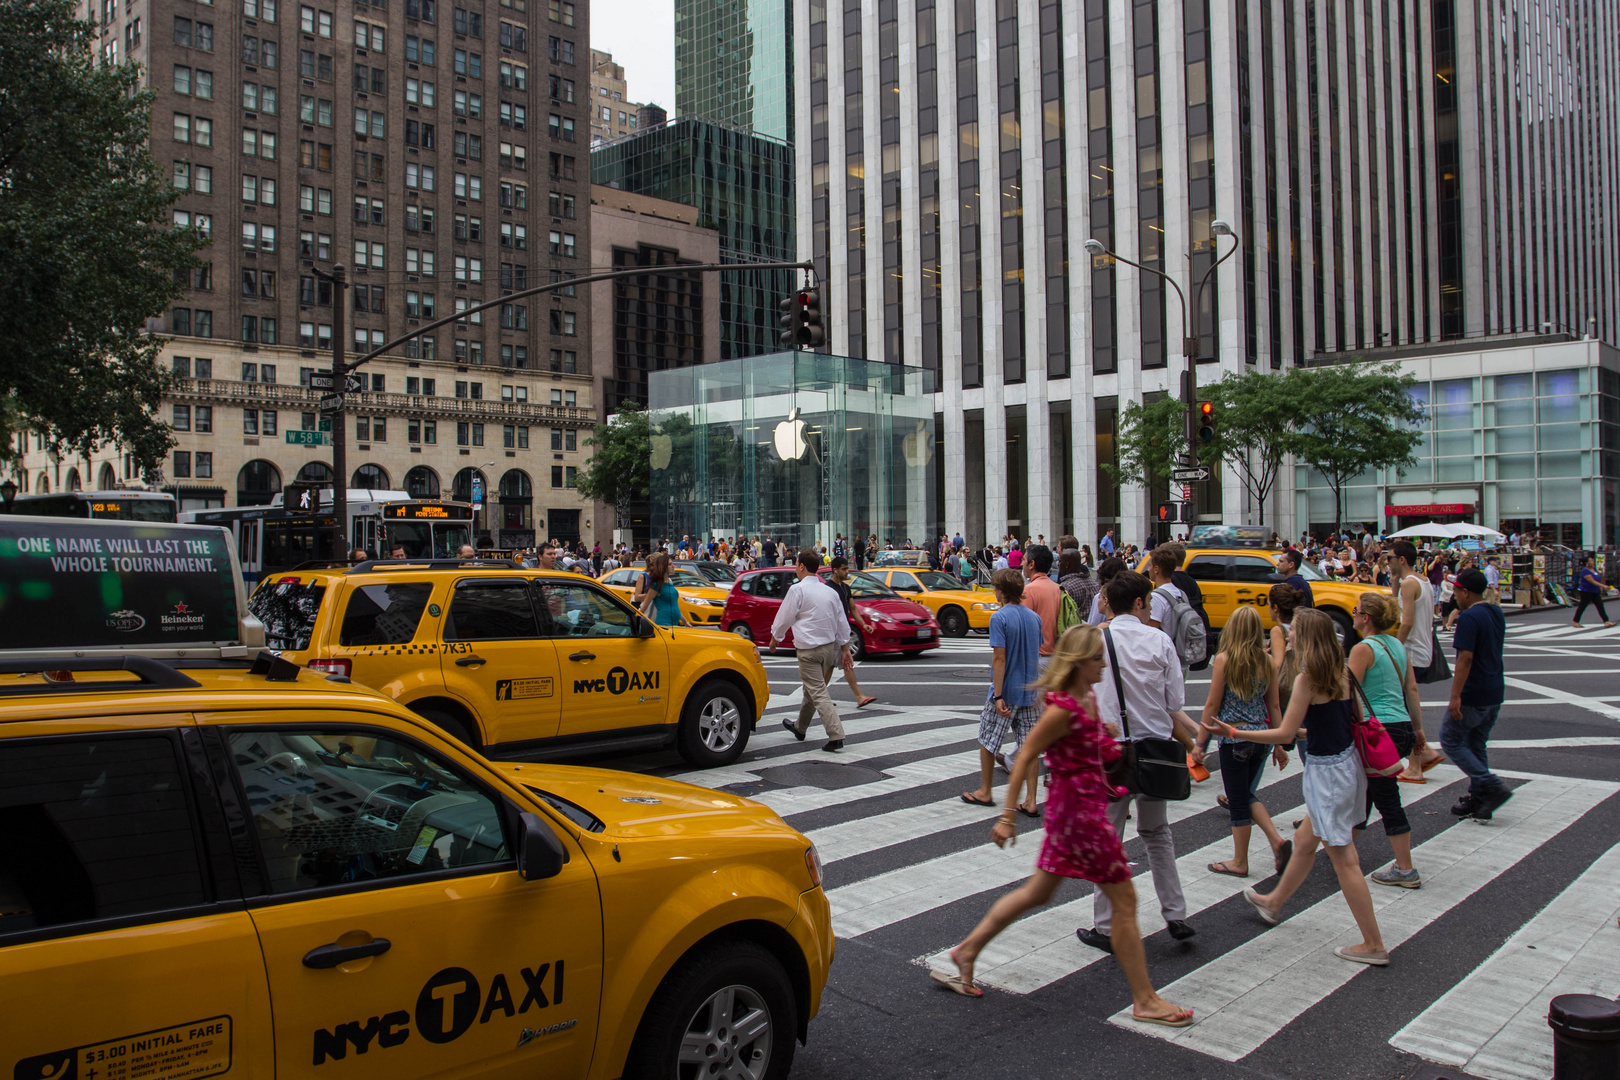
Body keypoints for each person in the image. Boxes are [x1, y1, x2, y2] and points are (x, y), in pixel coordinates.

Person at [933, 627, 1195, 1027]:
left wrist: (1103, 739)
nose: (1104, 664)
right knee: (1124, 903)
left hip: (1078, 813)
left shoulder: (1085, 699)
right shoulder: (1064, 709)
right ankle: (1145, 999)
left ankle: (967, 951)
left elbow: (1084, 754)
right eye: (1096, 659)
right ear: (1077, 663)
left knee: (1037, 893)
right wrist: (1007, 816)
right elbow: (1025, 756)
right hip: (1081, 820)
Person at [1206, 608, 1390, 966]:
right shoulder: (1342, 673)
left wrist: (1233, 731)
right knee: (1306, 842)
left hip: (1327, 774)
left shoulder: (1308, 679)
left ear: (1306, 638)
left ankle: (1373, 942)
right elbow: (1340, 723)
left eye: (1294, 633)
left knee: (1345, 859)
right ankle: (1274, 902)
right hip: (1347, 766)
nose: (1288, 636)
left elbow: (1287, 733)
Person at [1077, 571, 1202, 953]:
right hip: (1154, 750)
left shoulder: (1096, 640)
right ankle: (1175, 913)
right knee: (1157, 834)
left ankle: (1105, 925)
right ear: (1137, 602)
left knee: (1109, 837)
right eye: (1147, 600)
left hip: (1111, 751)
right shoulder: (1159, 640)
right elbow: (1175, 702)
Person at [1196, 606, 1290, 879]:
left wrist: (1200, 744)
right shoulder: (1267, 662)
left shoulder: (1225, 659)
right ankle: (1276, 842)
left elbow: (1212, 704)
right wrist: (1280, 744)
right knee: (1245, 794)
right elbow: (1273, 704)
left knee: (1238, 800)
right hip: (1261, 737)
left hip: (1234, 737)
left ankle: (1240, 860)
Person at [1348, 593, 1426, 888]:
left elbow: (1347, 691)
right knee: (1364, 791)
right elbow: (1412, 690)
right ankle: (1343, 850)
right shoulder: (1396, 646)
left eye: (1356, 611)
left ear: (1365, 617)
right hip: (1401, 727)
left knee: (1385, 797)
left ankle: (1405, 869)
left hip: (1376, 730)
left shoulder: (1363, 649)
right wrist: (1418, 731)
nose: (1353, 614)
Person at [961, 570, 1043, 816]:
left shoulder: (1000, 618)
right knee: (1029, 746)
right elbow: (1035, 651)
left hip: (1007, 690)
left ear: (1001, 591)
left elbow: (999, 657)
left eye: (996, 588)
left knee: (987, 740)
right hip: (1030, 689)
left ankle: (986, 790)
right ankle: (1030, 800)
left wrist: (998, 695)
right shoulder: (1033, 617)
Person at [1444, 568, 1512, 821]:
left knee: (1450, 739)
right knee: (1476, 743)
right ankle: (1480, 795)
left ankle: (1490, 785)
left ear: (1466, 592)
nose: (1454, 595)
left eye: (1456, 590)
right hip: (1495, 688)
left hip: (1474, 691)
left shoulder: (1469, 618)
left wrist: (1455, 696)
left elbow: (1465, 658)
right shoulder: (1495, 612)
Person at [770, 548, 853, 752]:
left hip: (808, 652)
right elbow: (842, 621)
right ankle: (800, 727)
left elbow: (784, 618)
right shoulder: (829, 591)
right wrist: (845, 647)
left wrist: (775, 639)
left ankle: (836, 734)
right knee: (811, 690)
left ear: (801, 566)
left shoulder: (797, 590)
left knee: (817, 691)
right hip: (827, 650)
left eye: (796, 565)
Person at [827, 557, 878, 708]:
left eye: (847, 568)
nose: (847, 571)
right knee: (839, 664)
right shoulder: (828, 588)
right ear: (835, 570)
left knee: (837, 665)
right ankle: (858, 696)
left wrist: (864, 624)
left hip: (841, 633)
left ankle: (857, 696)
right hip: (833, 633)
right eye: (844, 569)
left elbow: (853, 609)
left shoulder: (845, 588)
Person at [1022, 546, 1061, 666]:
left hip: (1036, 655)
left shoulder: (1028, 591)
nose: (1021, 563)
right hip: (1056, 655)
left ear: (1031, 564)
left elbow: (1023, 626)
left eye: (1024, 559)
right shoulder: (1058, 589)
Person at [638, 553, 690, 628]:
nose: (673, 566)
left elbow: (674, 606)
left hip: (674, 624)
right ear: (663, 567)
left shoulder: (669, 582)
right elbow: (644, 606)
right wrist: (635, 620)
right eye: (670, 564)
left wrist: (685, 622)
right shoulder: (656, 586)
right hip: (664, 624)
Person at [1571, 554, 1614, 628]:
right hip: (1586, 591)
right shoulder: (1585, 571)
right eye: (1590, 561)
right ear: (1586, 563)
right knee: (1582, 606)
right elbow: (1592, 581)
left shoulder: (1593, 570)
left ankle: (1606, 621)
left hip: (1595, 591)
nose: (1592, 562)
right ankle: (1576, 621)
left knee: (1600, 606)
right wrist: (1603, 586)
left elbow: (1597, 578)